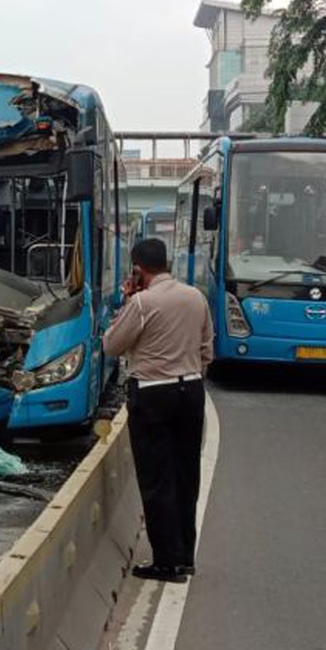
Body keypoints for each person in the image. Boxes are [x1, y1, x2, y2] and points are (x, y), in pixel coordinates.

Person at [103, 239, 214, 584]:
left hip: (153, 394)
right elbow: (207, 349)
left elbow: (111, 345)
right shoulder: (195, 297)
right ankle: (184, 557)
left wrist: (126, 301)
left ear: (138, 269)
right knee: (185, 475)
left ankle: (166, 562)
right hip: (191, 390)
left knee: (157, 479)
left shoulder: (141, 303)